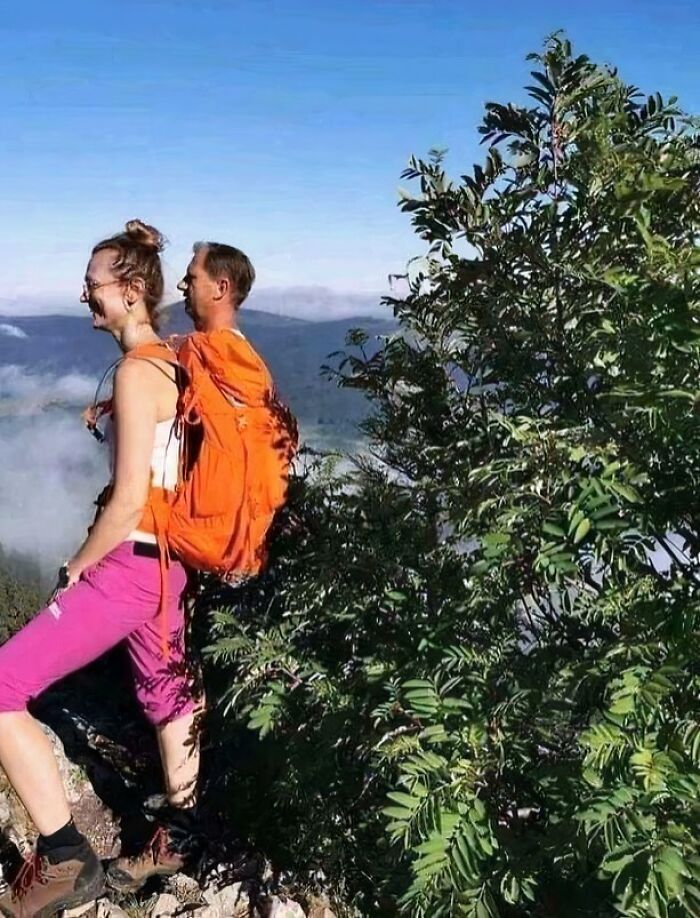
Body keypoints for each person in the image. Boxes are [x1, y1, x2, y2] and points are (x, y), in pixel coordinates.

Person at [0, 220, 201, 917]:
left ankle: (64, 858)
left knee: (0, 687)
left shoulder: (134, 371)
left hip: (128, 564)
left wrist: (77, 565)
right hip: (169, 567)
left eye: (94, 284)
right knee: (169, 696)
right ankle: (182, 836)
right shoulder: (170, 362)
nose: (84, 294)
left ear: (132, 290)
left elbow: (126, 502)